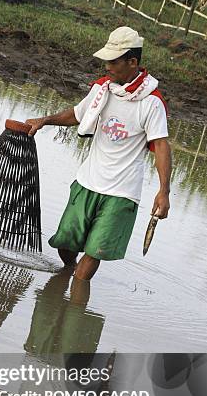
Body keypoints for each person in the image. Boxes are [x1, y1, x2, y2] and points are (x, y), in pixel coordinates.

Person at [26, 26, 172, 281]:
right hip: (88, 182)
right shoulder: (103, 89)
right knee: (65, 245)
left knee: (88, 264)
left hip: (121, 194)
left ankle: (75, 304)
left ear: (132, 62)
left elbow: (161, 145)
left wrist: (164, 191)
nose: (107, 67)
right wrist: (45, 120)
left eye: (113, 62)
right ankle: (63, 279)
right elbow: (77, 114)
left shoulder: (151, 102)